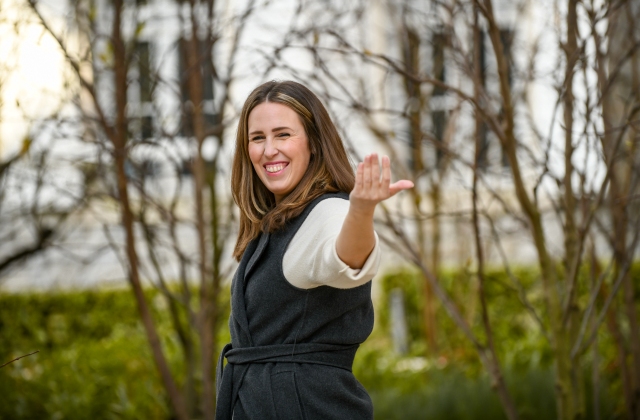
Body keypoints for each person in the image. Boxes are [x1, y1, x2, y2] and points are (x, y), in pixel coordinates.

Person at [216, 80, 413, 420]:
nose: (268, 150)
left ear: (314, 144)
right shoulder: (276, 224)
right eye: (257, 138)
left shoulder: (329, 212)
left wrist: (361, 211)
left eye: (283, 135)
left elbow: (345, 259)